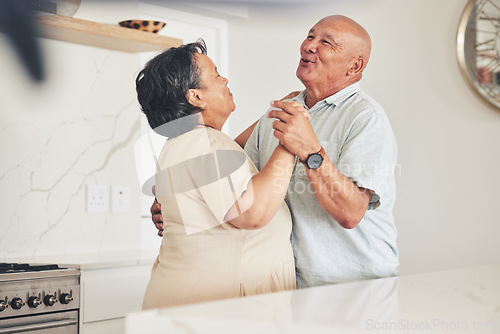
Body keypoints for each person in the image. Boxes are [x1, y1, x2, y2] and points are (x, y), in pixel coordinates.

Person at [151, 15, 399, 288]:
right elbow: (222, 167)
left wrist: (311, 153)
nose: (309, 46)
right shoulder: (278, 112)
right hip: (292, 287)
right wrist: (178, 198)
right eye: (310, 36)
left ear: (355, 66)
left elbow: (351, 213)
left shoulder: (365, 117)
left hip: (356, 286)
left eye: (326, 42)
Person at [136, 40, 296, 309]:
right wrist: (290, 141)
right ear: (195, 96)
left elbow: (231, 152)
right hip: (212, 312)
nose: (225, 79)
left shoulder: (185, 142)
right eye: (216, 74)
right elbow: (252, 213)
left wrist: (275, 115)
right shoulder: (203, 143)